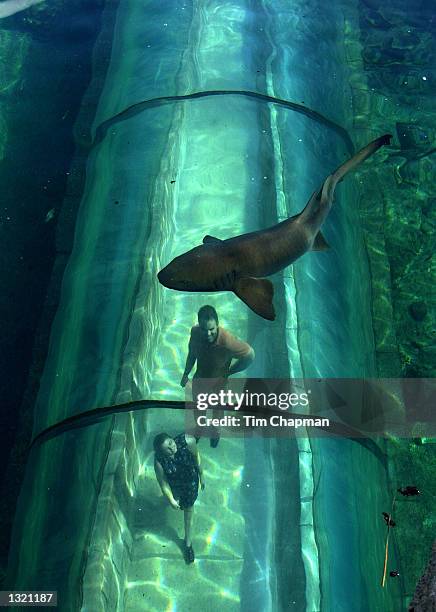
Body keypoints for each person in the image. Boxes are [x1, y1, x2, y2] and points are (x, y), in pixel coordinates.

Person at [180, 305, 255, 446]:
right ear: (199, 326)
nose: (208, 334)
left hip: (218, 384)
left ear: (217, 325)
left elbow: (250, 355)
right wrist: (185, 373)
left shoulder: (227, 341)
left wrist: (229, 372)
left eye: (211, 330)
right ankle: (200, 429)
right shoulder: (195, 333)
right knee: (198, 409)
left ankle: (215, 433)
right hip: (200, 380)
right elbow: (192, 354)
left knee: (218, 412)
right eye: (204, 329)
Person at [153, 432, 205, 564]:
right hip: (175, 483)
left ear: (172, 438)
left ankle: (188, 544)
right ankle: (173, 499)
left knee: (188, 512)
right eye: (167, 450)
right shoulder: (159, 461)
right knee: (174, 499)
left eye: (171, 443)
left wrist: (202, 475)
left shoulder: (187, 441)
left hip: (190, 482)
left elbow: (196, 456)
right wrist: (170, 499)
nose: (172, 448)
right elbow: (163, 482)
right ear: (162, 453)